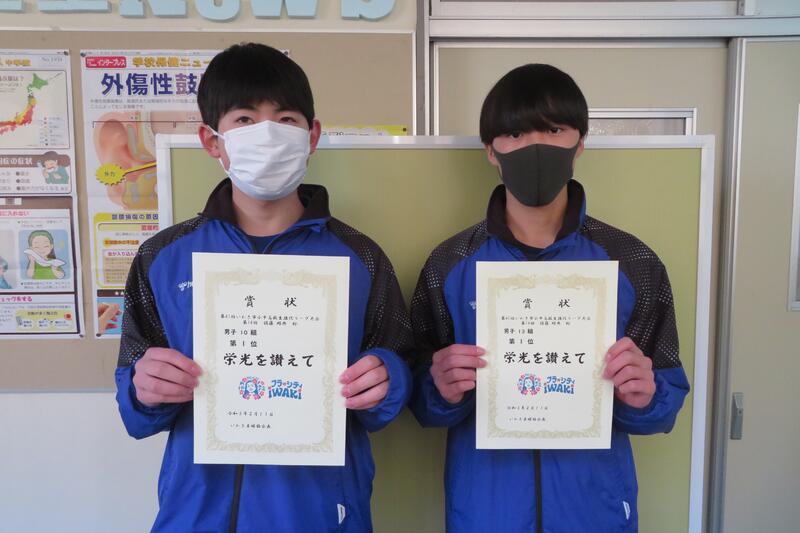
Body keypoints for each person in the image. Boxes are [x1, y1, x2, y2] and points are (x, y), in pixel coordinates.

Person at [115, 43, 412, 532]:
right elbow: (134, 399)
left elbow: (399, 368)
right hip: (198, 513)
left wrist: (388, 378)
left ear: (312, 136)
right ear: (212, 140)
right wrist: (143, 389)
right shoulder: (163, 257)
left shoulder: (359, 257)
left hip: (319, 515)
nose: (268, 134)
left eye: (286, 119)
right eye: (245, 120)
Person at [409, 64, 690, 532]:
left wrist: (646, 395)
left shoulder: (632, 262)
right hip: (487, 513)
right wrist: (440, 388)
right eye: (516, 133)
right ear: (491, 150)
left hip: (595, 511)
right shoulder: (450, 264)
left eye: (554, 129)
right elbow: (419, 395)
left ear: (580, 144)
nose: (535, 146)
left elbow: (667, 396)